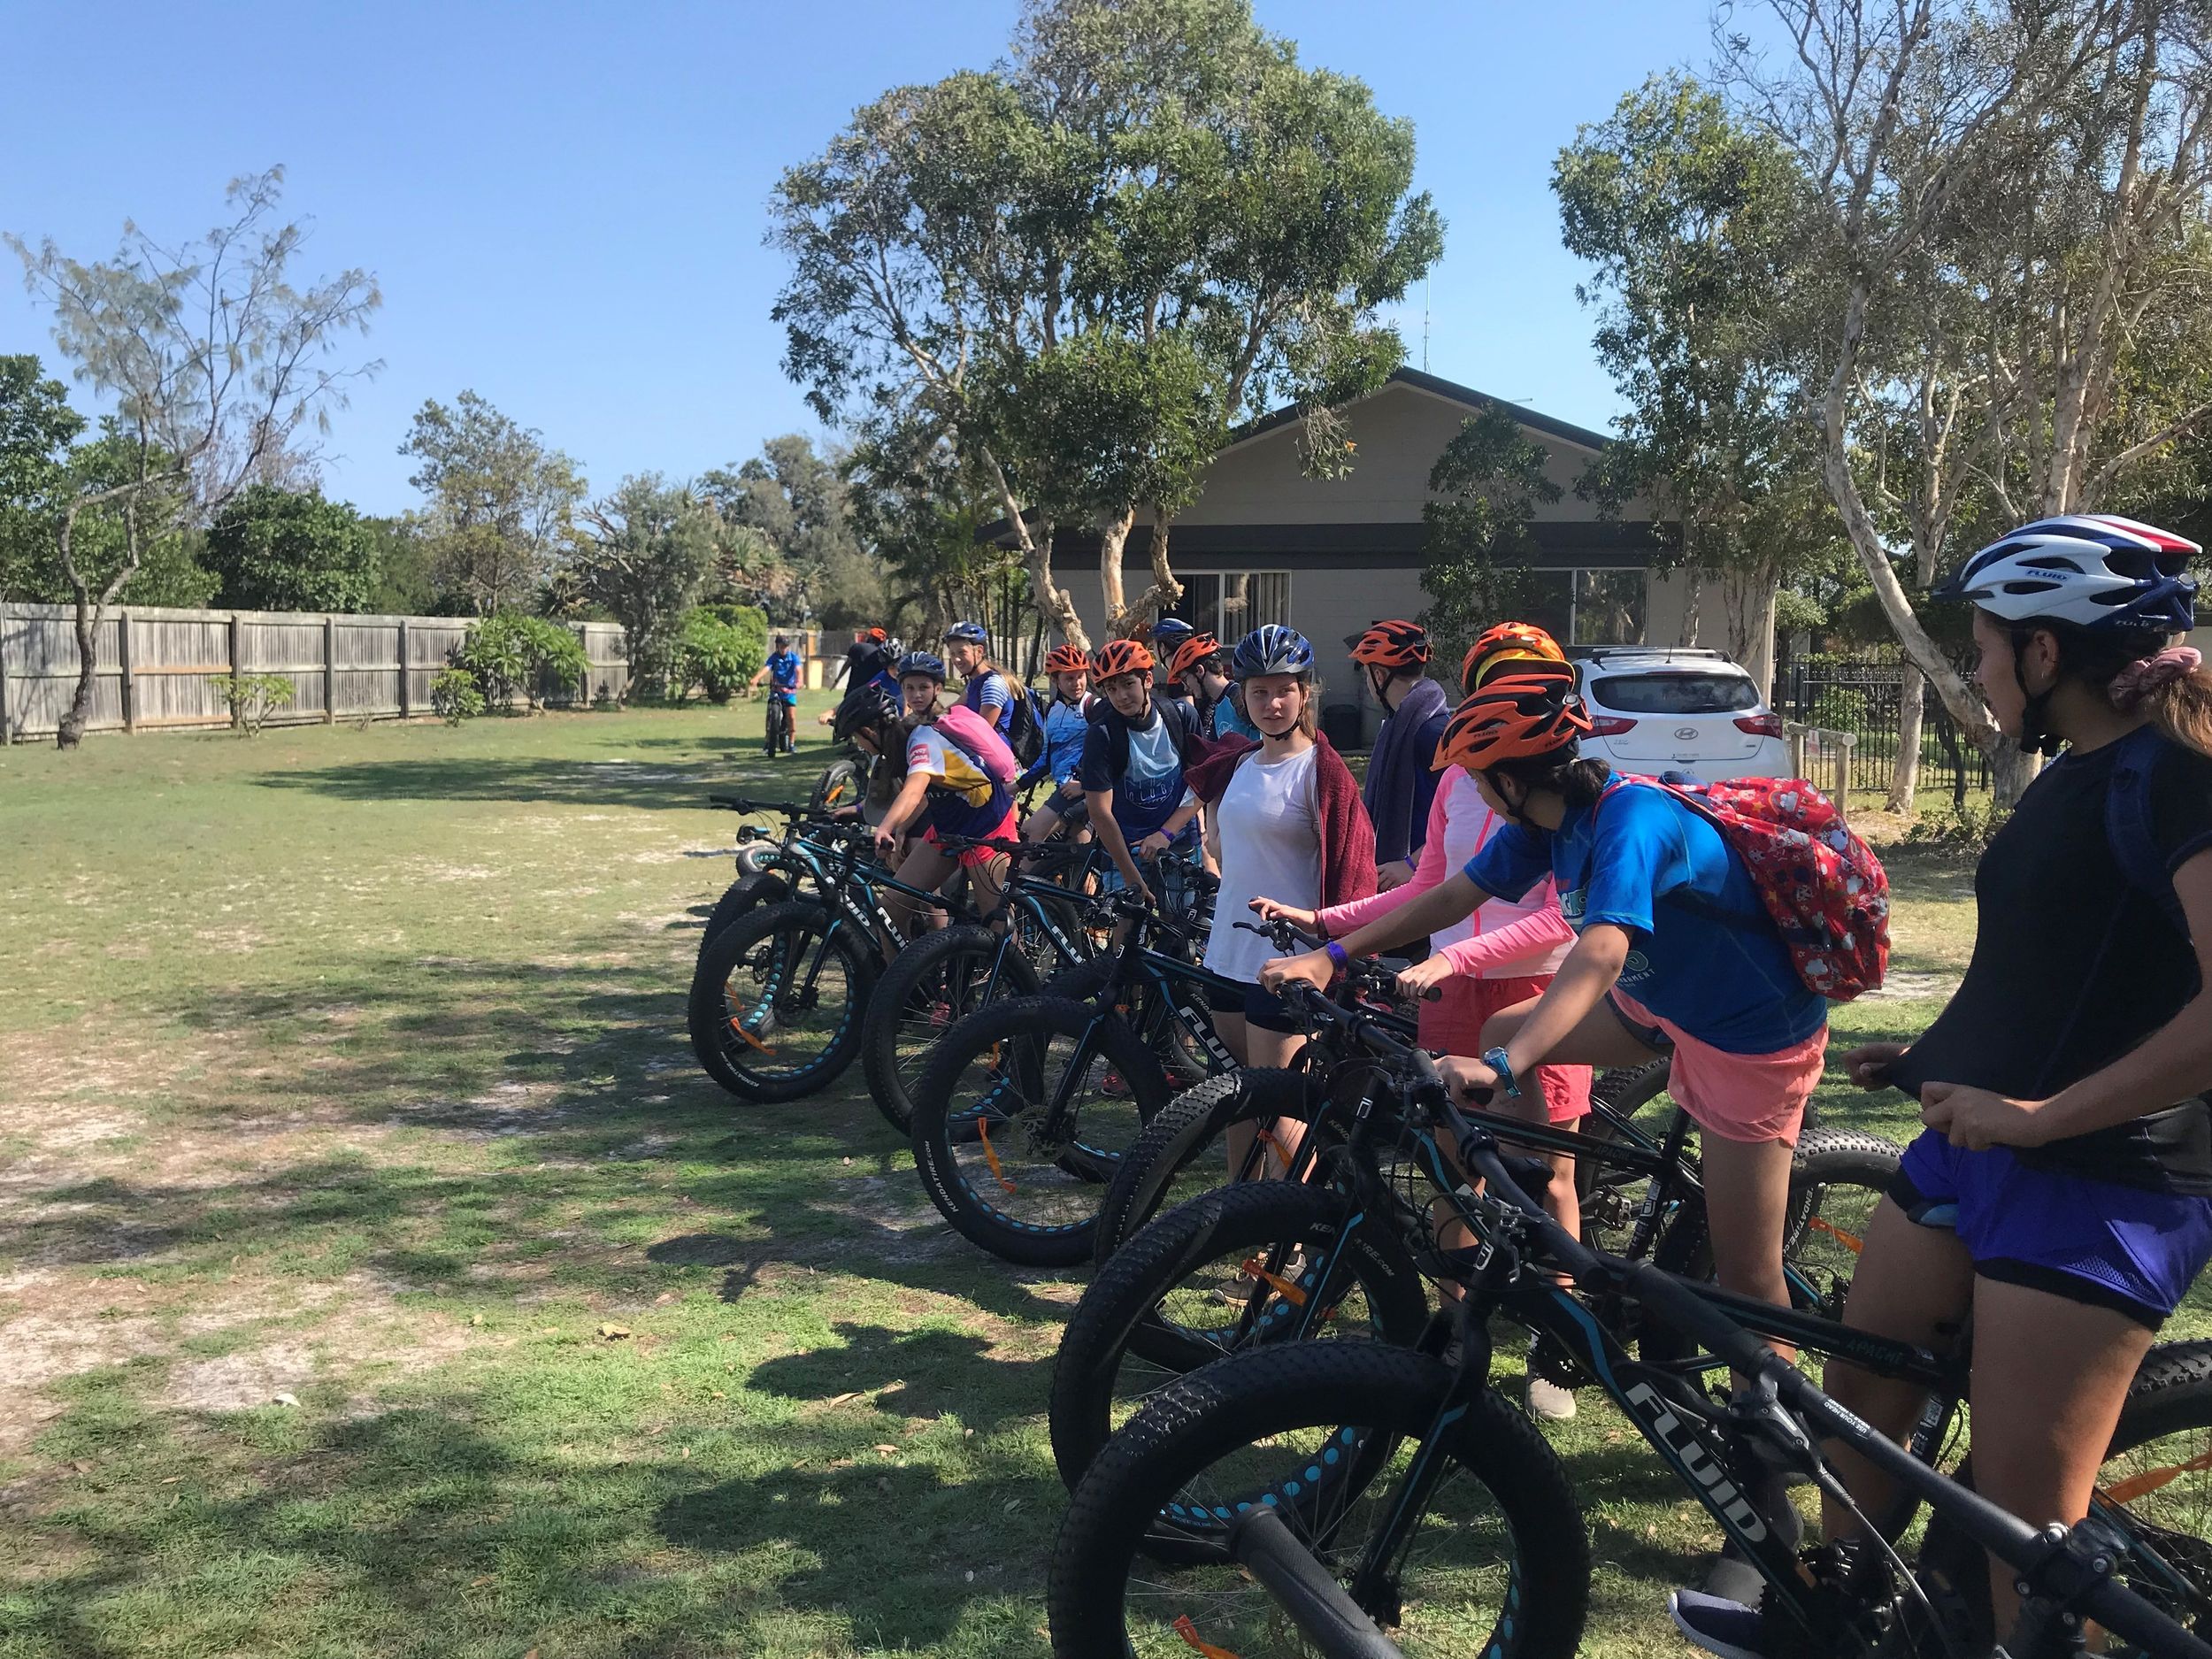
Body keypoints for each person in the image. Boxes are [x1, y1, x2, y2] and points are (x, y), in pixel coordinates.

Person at [1670, 515, 2212, 1659]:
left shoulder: (2178, 779)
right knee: (1860, 1389)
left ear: (2046, 651)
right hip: (1976, 1150)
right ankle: (1840, 1615)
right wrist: (1932, 1059)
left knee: (2025, 1536)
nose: (1977, 671)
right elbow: (2062, 969)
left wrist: (2040, 1117)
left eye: (1984, 648)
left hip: (2102, 1180)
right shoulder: (2072, 776)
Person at [1262, 624, 1828, 1424]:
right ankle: (1532, 1208)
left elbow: (1600, 950)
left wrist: (1505, 1063)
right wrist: (1332, 954)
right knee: (1501, 1033)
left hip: (1747, 1035)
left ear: (1511, 779)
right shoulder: (1547, 825)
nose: (1473, 791)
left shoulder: (1631, 819)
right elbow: (1450, 895)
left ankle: (1772, 1447)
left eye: (1478, 778)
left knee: (1747, 1272)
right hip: (1661, 1004)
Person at [1183, 625, 1375, 1088]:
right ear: (1243, 696)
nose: (1272, 704)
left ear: (1304, 693)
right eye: (1260, 692)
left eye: (1284, 691)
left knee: (1284, 1117)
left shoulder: (1321, 772)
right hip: (1226, 956)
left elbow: (1354, 871)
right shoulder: (1239, 763)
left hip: (1287, 963)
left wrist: (1339, 955)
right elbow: (1222, 842)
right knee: (1233, 1104)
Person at [872, 650, 1018, 937]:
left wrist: (886, 827)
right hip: (948, 827)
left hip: (987, 826)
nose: (916, 695)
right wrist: (901, 828)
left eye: (923, 687)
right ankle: (909, 969)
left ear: (938, 689)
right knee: (890, 909)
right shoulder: (917, 727)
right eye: (909, 688)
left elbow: (914, 791)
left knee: (1000, 927)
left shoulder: (930, 733)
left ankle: (1020, 968)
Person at [1080, 637, 1205, 909]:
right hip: (1125, 850)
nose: (1121, 696)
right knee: (1126, 924)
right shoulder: (1102, 734)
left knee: (1178, 924)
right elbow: (1100, 812)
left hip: (1178, 841)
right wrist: (1131, 876)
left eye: (1128, 684)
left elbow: (1202, 783)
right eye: (1112, 689)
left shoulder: (1181, 716)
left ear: (1147, 680)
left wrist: (1165, 834)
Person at [1350, 620, 1450, 888]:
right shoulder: (1399, 725)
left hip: (1428, 884)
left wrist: (1411, 864)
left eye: (1367, 675)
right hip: (1403, 882)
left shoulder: (1433, 733)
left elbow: (1465, 815)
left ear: (1379, 676)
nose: (1368, 684)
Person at [1020, 643, 1096, 842]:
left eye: (1080, 676)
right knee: (1078, 853)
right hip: (1064, 789)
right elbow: (1047, 758)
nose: (1077, 683)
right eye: (1069, 678)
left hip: (1082, 790)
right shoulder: (1053, 709)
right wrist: (1018, 786)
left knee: (1029, 832)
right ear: (1055, 680)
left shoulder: (1094, 707)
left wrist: (1085, 784)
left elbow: (1110, 753)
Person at [1169, 632, 1263, 743]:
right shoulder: (1214, 707)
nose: (1186, 688)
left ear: (1199, 670)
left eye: (1185, 679)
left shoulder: (1238, 697)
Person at [944, 620, 1018, 742]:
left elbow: (981, 733)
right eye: (952, 654)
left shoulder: (992, 685)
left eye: (962, 652)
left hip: (997, 752)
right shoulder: (975, 682)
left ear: (979, 651)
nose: (956, 659)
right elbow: (950, 711)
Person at [749, 634, 803, 757]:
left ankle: (791, 743)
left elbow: (798, 670)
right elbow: (766, 669)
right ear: (777, 646)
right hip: (776, 690)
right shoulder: (774, 657)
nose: (783, 649)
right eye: (781, 646)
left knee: (791, 717)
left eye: (785, 646)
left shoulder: (793, 657)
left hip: (789, 691)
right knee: (770, 716)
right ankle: (768, 742)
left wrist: (799, 681)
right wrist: (756, 678)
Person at [1150, 616, 1197, 704]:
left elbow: (1187, 709)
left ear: (1162, 647)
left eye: (1154, 646)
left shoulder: (1178, 677)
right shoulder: (1187, 670)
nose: (1153, 651)